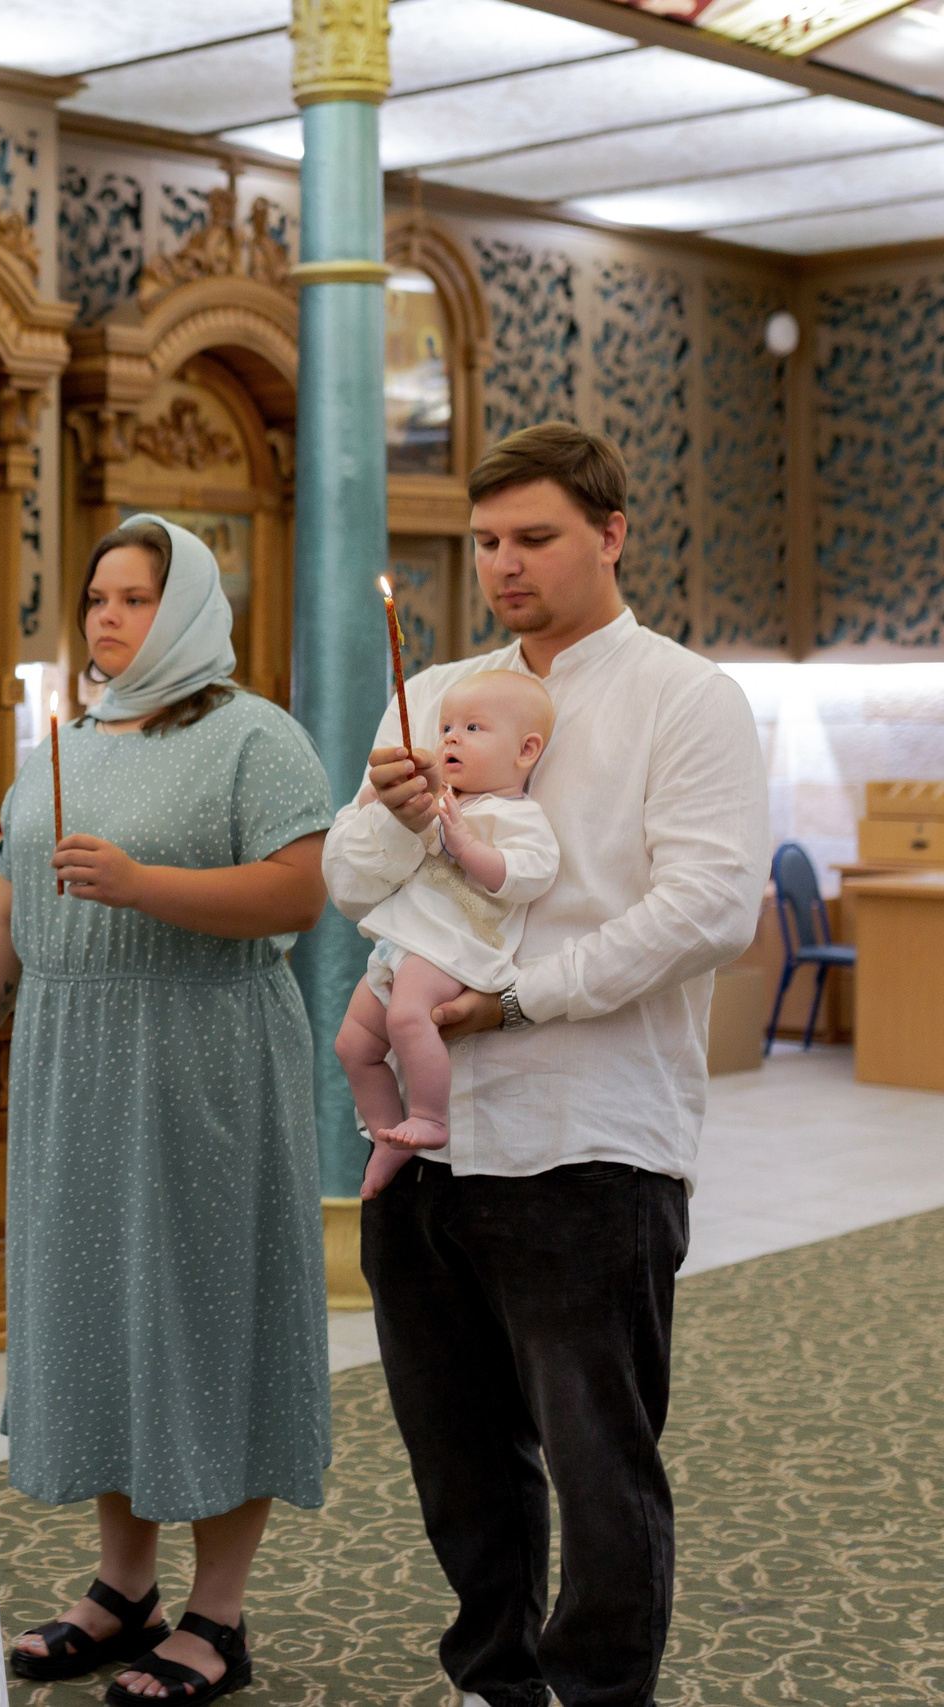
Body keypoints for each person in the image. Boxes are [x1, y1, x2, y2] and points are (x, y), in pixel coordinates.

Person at [324, 423, 767, 1707]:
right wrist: (384, 814)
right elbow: (346, 885)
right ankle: (492, 1677)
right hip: (430, 1137)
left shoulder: (683, 697)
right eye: (484, 544)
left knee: (597, 1458)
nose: (502, 565)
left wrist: (514, 1000)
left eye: (533, 538)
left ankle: (595, 1692)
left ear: (611, 533)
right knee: (456, 1451)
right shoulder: (437, 689)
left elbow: (708, 909)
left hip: (591, 1135)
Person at [0, 515, 333, 1705]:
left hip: (200, 1054)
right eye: (96, 597)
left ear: (193, 609)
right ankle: (124, 1588)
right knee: (102, 1313)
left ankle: (217, 1615)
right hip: (75, 1061)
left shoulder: (255, 739)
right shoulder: (68, 739)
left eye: (134, 598)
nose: (106, 617)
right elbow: (11, 904)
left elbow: (299, 894)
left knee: (210, 1314)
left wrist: (141, 884)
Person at [337, 671, 560, 1197]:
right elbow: (375, 836)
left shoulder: (518, 817)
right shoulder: (444, 799)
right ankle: (388, 1136)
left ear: (525, 751)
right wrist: (384, 797)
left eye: (473, 727)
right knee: (353, 1043)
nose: (451, 738)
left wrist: (467, 846)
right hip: (405, 943)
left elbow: (528, 876)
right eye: (446, 727)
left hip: (456, 949)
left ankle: (430, 1117)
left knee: (408, 1015)